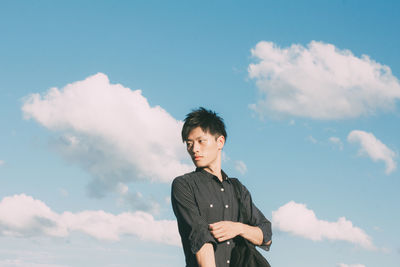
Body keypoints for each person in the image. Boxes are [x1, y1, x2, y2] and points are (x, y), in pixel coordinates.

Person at [171, 107, 272, 267]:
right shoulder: (184, 185)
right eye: (189, 144)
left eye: (201, 141)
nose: (194, 149)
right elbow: (200, 238)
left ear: (220, 142)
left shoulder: (238, 188)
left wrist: (238, 228)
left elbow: (266, 234)